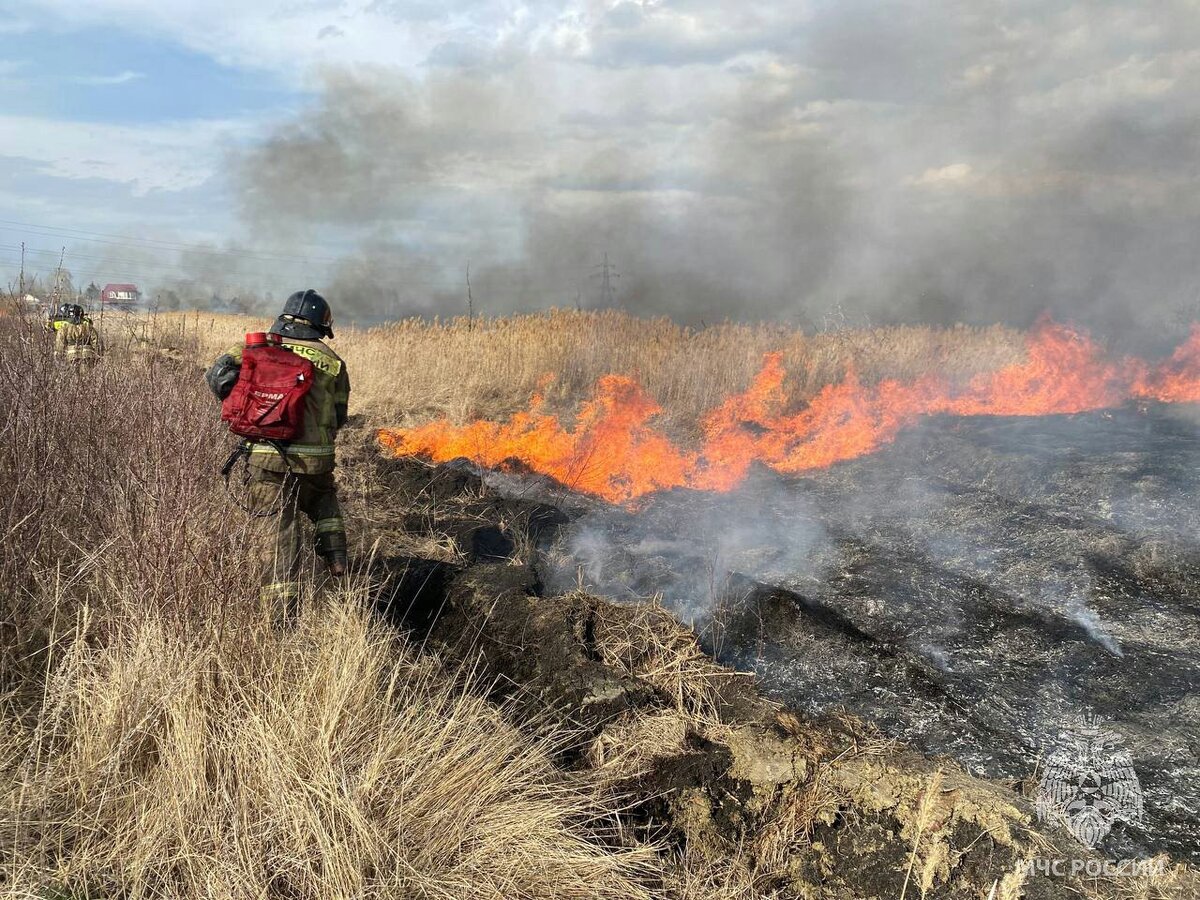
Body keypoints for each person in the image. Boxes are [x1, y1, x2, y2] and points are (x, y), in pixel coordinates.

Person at [205, 290, 351, 615]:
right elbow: (340, 415)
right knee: (324, 502)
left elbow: (217, 378)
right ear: (320, 324)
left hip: (266, 456)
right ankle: (337, 560)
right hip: (316, 460)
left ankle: (281, 617)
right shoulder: (332, 362)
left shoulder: (254, 348)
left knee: (280, 533)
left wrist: (250, 407)